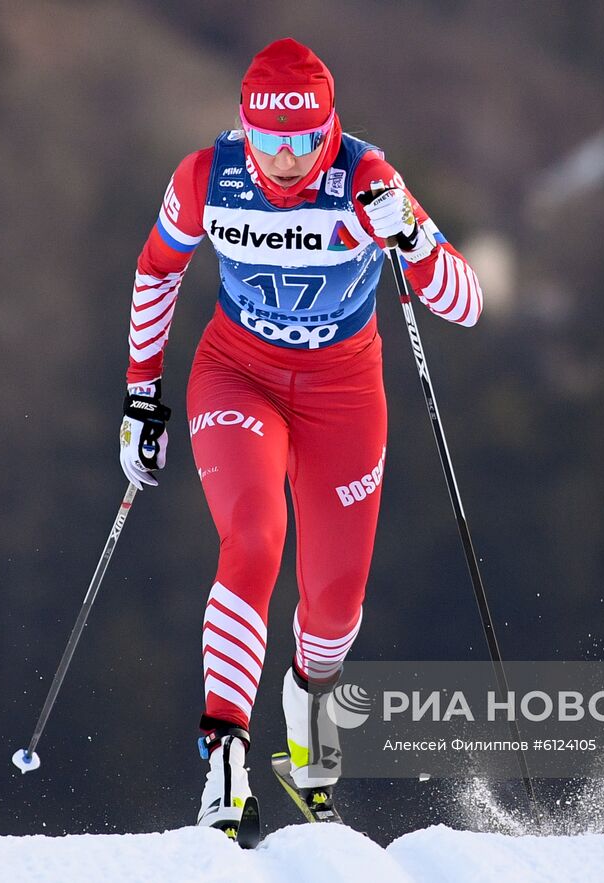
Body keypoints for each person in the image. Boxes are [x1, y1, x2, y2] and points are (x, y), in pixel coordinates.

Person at [117, 37, 482, 837]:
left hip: (343, 394)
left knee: (334, 608)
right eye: (269, 140)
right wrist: (143, 399)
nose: (285, 161)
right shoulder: (208, 178)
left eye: (304, 141)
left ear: (329, 130)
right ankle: (224, 754)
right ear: (245, 128)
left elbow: (466, 304)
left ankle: (306, 698)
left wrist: (414, 241)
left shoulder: (367, 180)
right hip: (235, 375)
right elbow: (157, 269)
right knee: (253, 536)